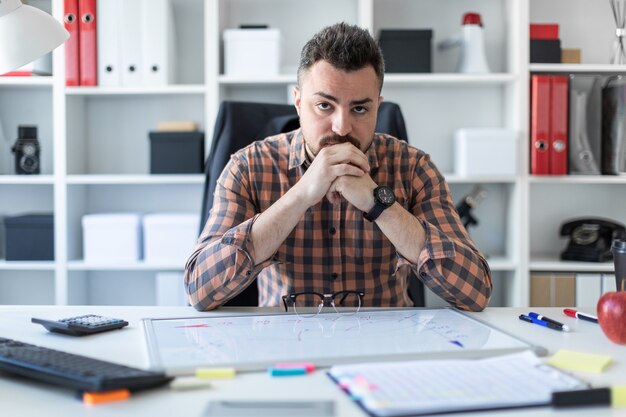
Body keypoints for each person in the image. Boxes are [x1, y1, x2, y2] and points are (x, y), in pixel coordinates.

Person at [185, 22, 492, 312]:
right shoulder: (248, 166)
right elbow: (200, 290)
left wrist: (379, 203)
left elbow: (475, 292)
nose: (342, 127)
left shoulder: (413, 168)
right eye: (324, 106)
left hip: (385, 347)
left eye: (359, 108)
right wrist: (301, 194)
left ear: (377, 107)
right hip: (285, 347)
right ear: (297, 101)